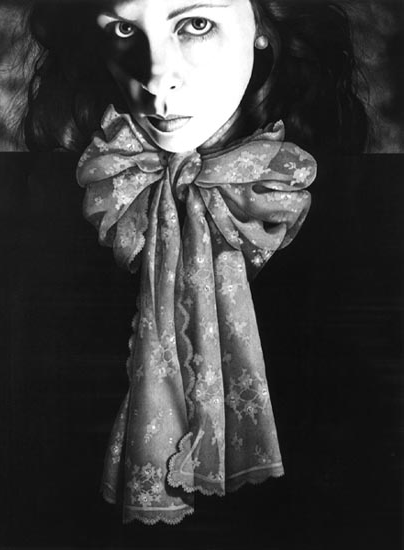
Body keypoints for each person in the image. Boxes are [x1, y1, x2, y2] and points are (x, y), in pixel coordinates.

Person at [20, 0, 368, 525]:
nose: (155, 78)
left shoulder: (348, 206)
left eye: (196, 25)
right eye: (124, 29)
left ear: (263, 26)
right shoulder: (65, 199)